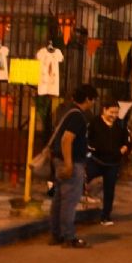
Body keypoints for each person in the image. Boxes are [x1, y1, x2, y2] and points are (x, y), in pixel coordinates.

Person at [50, 84, 98, 248]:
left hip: (59, 159)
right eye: (92, 100)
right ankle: (68, 236)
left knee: (59, 199)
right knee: (69, 200)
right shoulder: (77, 116)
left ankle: (56, 234)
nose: (93, 103)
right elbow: (67, 139)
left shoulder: (66, 111)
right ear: (87, 99)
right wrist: (69, 164)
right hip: (70, 161)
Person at [86, 100, 132, 226]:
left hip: (113, 162)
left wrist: (125, 148)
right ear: (104, 110)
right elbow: (88, 140)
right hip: (96, 160)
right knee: (84, 179)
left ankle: (106, 215)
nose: (114, 115)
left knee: (109, 189)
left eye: (116, 113)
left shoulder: (120, 125)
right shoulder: (94, 123)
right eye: (111, 112)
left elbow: (128, 140)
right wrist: (92, 149)